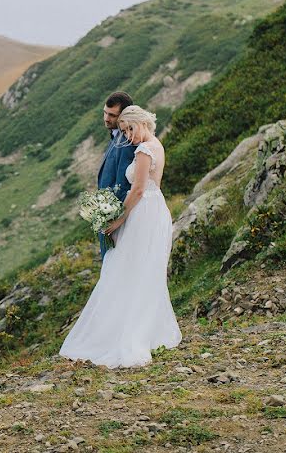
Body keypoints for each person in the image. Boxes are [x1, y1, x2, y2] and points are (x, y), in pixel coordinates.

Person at [59, 105, 182, 368]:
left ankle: (124, 334)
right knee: (143, 271)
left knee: (125, 269)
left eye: (130, 128)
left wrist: (117, 220)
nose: (128, 135)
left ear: (142, 123)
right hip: (155, 210)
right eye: (124, 130)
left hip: (141, 213)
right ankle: (147, 331)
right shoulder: (157, 145)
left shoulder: (143, 150)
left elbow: (136, 191)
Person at [96, 92, 136, 259]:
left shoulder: (126, 142)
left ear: (123, 116)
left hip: (115, 216)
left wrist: (109, 216)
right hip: (107, 210)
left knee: (115, 260)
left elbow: (123, 183)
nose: (106, 118)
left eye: (112, 115)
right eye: (105, 112)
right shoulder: (115, 136)